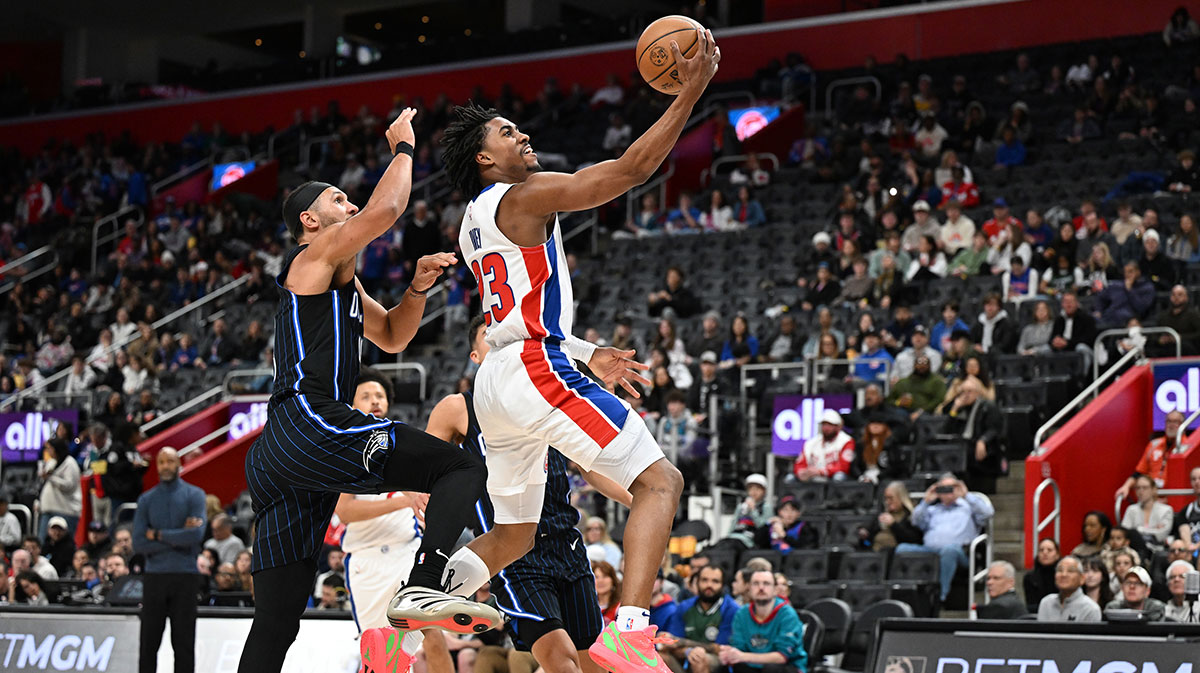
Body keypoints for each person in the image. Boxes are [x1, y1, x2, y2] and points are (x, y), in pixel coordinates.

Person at [441, 31, 719, 673]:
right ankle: (630, 630)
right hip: (534, 369)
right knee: (661, 482)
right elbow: (629, 172)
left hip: (497, 386)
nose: (522, 137)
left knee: (512, 535)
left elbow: (515, 312)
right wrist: (693, 90)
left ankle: (433, 585)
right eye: (507, 133)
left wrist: (587, 348)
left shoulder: (474, 218)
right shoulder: (522, 195)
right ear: (485, 161)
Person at [239, 108, 500, 673]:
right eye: (338, 200)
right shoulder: (312, 258)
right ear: (309, 220)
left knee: (278, 620)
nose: (350, 206)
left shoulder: (343, 277)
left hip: (283, 449)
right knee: (459, 469)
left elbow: (392, 336)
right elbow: (386, 208)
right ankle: (426, 584)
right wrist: (403, 149)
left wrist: (417, 288)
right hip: (310, 418)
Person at [422, 315, 632, 673]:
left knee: (593, 664)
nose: (501, 346)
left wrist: (639, 497)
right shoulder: (459, 407)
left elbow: (589, 467)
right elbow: (423, 463)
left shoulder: (547, 403)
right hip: (513, 550)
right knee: (561, 659)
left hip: (566, 543)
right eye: (491, 339)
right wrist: (418, 492)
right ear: (475, 357)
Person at [333, 368, 426, 632]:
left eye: (380, 395)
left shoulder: (405, 441)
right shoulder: (341, 449)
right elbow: (346, 511)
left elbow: (422, 495)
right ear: (351, 404)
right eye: (366, 396)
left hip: (407, 550)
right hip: (368, 558)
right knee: (380, 645)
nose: (375, 400)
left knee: (430, 638)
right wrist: (403, 502)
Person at [134, 447, 207, 673]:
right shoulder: (146, 499)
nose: (166, 466)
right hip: (155, 578)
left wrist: (157, 534)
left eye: (170, 461)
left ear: (179, 463)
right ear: (156, 466)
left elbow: (195, 535)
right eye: (161, 462)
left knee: (184, 644)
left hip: (185, 577)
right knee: (148, 644)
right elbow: (138, 543)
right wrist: (178, 535)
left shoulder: (195, 495)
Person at [897, 474, 994, 601]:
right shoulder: (933, 509)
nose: (948, 491)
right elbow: (915, 521)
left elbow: (987, 514)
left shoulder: (968, 507)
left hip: (960, 554)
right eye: (943, 488)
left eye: (951, 487)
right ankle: (904, 593)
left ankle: (941, 596)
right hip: (930, 551)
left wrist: (966, 495)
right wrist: (926, 501)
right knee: (901, 549)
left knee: (950, 550)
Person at [719, 569, 807, 673]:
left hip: (787, 666)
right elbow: (738, 648)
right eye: (756, 584)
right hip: (752, 666)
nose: (761, 588)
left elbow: (781, 657)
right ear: (749, 589)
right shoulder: (742, 614)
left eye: (766, 583)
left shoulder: (787, 614)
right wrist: (729, 655)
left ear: (775, 589)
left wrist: (742, 656)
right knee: (735, 666)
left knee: (771, 669)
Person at [662, 564, 738, 673]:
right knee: (661, 657)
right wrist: (688, 651)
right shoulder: (684, 607)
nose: (709, 585)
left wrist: (684, 643)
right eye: (704, 580)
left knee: (699, 658)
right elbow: (672, 644)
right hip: (685, 656)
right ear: (697, 582)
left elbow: (719, 649)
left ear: (722, 585)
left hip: (716, 660)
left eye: (715, 581)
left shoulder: (731, 609)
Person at [945, 376, 1005, 490]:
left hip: (984, 449)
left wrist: (982, 440)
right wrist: (954, 409)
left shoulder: (988, 406)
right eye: (962, 392)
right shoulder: (960, 409)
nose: (965, 395)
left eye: (969, 391)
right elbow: (947, 431)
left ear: (978, 393)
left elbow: (994, 429)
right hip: (962, 447)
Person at [1117, 410, 1183, 501]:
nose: (1171, 425)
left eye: (1175, 422)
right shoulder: (1154, 444)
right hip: (1151, 499)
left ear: (1183, 425)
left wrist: (1168, 500)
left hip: (1176, 499)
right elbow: (1139, 473)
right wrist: (1126, 486)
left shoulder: (1188, 447)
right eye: (1169, 421)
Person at [792, 410, 854, 482]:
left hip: (831, 477)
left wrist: (821, 471)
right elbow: (800, 464)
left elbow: (844, 466)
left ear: (838, 427)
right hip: (812, 477)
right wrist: (802, 472)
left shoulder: (846, 441)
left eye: (830, 425)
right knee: (790, 478)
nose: (826, 428)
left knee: (839, 476)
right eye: (824, 424)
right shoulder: (811, 443)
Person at [859, 481, 922, 552]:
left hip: (896, 556)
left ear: (901, 498)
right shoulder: (881, 516)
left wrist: (893, 525)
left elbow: (915, 541)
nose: (887, 502)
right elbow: (867, 544)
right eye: (886, 498)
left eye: (891, 498)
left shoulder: (911, 515)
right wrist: (864, 538)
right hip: (875, 555)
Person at [38, 438, 81, 538]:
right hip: (48, 508)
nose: (48, 451)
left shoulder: (70, 463)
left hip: (65, 510)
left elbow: (69, 485)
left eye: (50, 448)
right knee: (43, 541)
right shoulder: (51, 462)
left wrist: (51, 478)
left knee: (65, 542)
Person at [1037, 556, 1102, 622]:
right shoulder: (1046, 603)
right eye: (1060, 570)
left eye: (1070, 571)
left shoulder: (1091, 609)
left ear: (1082, 578)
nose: (1064, 575)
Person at [1121, 475, 1175, 548]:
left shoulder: (1166, 510)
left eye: (1145, 488)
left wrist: (1138, 529)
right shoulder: (1131, 509)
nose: (1141, 491)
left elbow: (1161, 535)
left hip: (1157, 549)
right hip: (1134, 548)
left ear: (1153, 490)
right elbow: (1124, 533)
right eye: (1138, 488)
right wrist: (1153, 530)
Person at [1155, 285, 1200, 356]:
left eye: (1180, 295)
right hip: (1166, 347)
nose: (1176, 297)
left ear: (1186, 297)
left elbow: (1198, 334)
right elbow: (1155, 333)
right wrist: (1160, 339)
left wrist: (1180, 337)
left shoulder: (1193, 315)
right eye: (1173, 295)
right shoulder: (1163, 316)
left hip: (1187, 348)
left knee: (1186, 346)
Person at [1024, 539, 1061, 611]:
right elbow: (1031, 605)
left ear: (1057, 555)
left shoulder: (1063, 576)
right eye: (1041, 550)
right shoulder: (1029, 578)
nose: (1045, 553)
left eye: (1049, 550)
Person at [1174, 466, 1200, 552]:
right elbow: (1184, 534)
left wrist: (1197, 546)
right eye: (1193, 479)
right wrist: (1190, 547)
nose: (1197, 482)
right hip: (1191, 552)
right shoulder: (1186, 511)